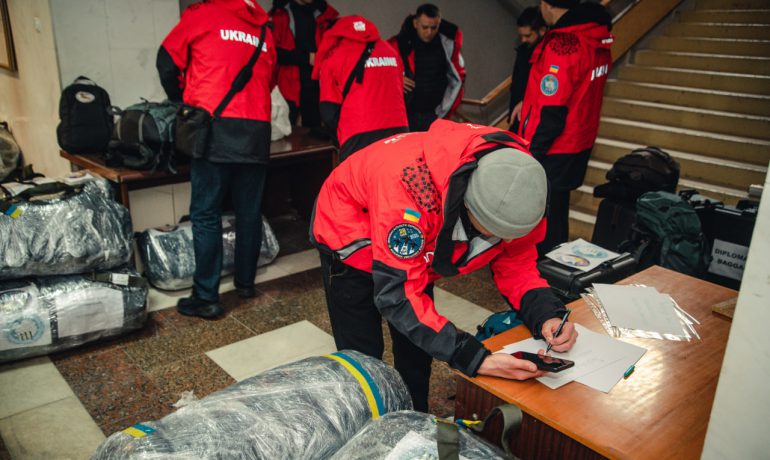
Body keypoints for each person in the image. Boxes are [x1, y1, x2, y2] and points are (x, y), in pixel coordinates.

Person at [311, 120, 578, 412]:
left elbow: (517, 264)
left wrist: (547, 314)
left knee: (416, 350)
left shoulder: (519, 185)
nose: (506, 241)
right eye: (495, 231)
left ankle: (415, 417)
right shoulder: (411, 192)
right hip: (350, 233)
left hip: (413, 238)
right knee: (363, 357)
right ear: (465, 203)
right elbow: (399, 296)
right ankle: (369, 423)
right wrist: (475, 358)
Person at [157, 0, 277, 319]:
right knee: (249, 212)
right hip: (256, 129)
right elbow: (270, 79)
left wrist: (181, 100)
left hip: (214, 127)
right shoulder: (265, 29)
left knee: (206, 213)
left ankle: (206, 296)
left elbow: (166, 62)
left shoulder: (203, 15)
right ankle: (245, 284)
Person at [518, 0, 613, 258]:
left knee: (543, 220)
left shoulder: (563, 44)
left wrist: (532, 152)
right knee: (557, 213)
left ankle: (542, 271)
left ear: (546, 5)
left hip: (555, 146)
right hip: (577, 142)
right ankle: (554, 266)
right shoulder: (595, 37)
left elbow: (553, 107)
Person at [313, 16, 408, 161]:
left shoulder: (334, 57)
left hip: (358, 134)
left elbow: (329, 111)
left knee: (358, 176)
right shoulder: (391, 51)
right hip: (399, 131)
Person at [389, 4, 465, 132]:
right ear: (415, 23)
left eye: (434, 28)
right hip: (406, 114)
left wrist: (444, 112)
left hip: (435, 114)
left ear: (439, 24)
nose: (429, 32)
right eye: (424, 27)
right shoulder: (398, 44)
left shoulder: (448, 44)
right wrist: (396, 79)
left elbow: (458, 78)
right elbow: (380, 72)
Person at [270, 0, 339, 128]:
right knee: (283, 131)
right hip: (287, 86)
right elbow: (273, 51)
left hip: (317, 87)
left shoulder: (324, 14)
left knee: (317, 133)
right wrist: (307, 58)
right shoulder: (279, 14)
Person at [508, 7, 547, 133]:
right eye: (521, 36)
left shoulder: (549, 55)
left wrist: (526, 102)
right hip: (518, 116)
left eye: (528, 35)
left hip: (535, 119)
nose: (523, 40)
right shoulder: (523, 50)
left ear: (542, 30)